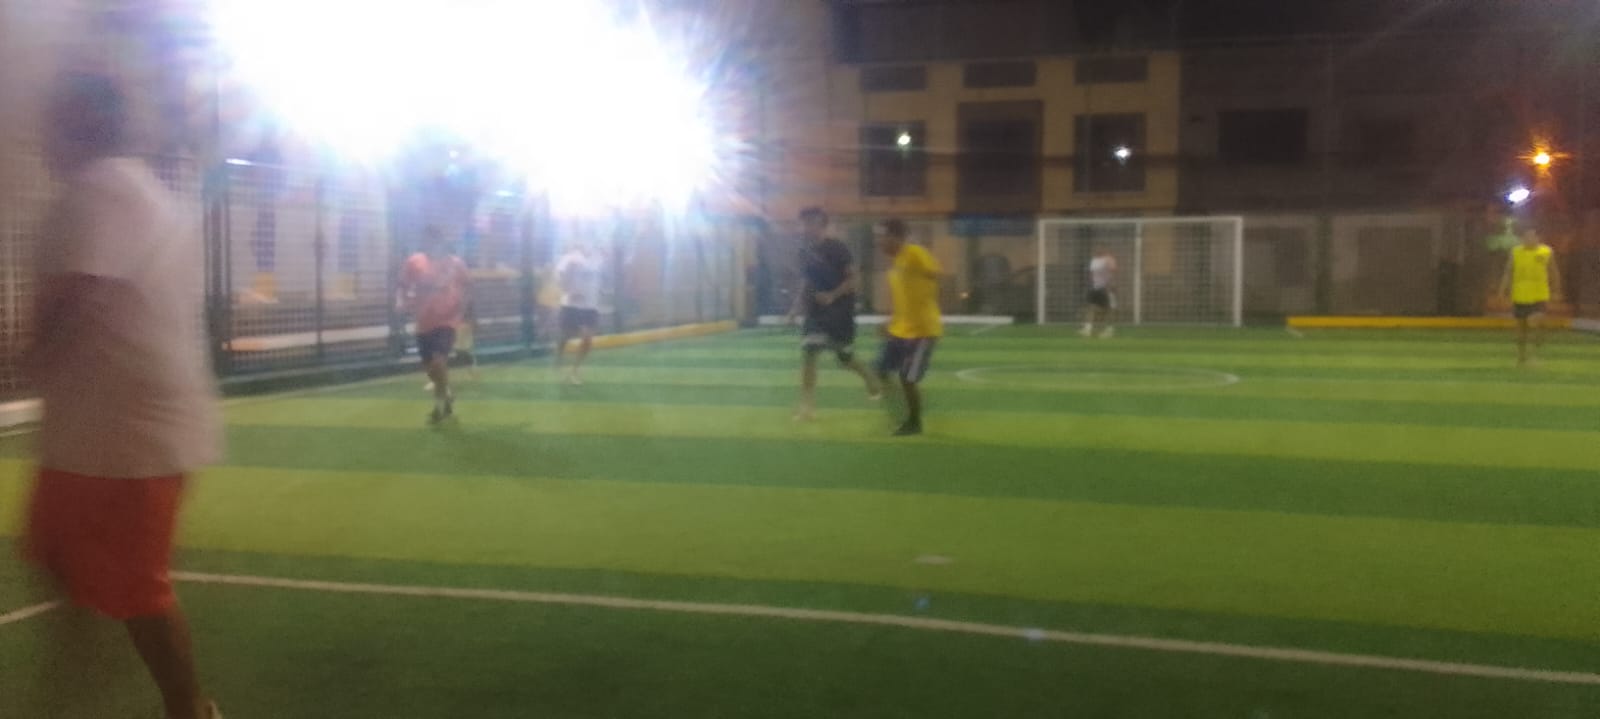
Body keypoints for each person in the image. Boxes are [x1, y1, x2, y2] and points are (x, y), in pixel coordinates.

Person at [23, 73, 223, 719]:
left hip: (125, 439)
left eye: (54, 123)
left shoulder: (97, 190)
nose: (43, 139)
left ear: (76, 127)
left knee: (136, 588)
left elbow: (66, 298)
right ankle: (76, 677)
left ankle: (189, 708)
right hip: (108, 431)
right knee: (57, 552)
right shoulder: (144, 193)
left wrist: (23, 360)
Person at [785, 207, 880, 420]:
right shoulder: (803, 252)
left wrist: (832, 295)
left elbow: (852, 279)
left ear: (822, 225)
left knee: (845, 358)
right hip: (816, 311)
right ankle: (807, 407)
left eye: (811, 223)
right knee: (809, 352)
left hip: (840, 311)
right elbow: (806, 282)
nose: (806, 228)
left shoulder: (838, 249)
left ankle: (869, 377)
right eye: (804, 223)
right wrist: (795, 307)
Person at [875, 219, 943, 436]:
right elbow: (903, 298)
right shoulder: (896, 263)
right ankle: (901, 409)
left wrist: (926, 294)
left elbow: (934, 272)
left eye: (883, 237)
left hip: (923, 330)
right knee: (881, 369)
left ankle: (914, 422)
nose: (879, 242)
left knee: (907, 377)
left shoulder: (913, 252)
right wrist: (890, 321)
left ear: (896, 237)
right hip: (900, 329)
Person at [399, 225, 471, 423]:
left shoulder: (455, 264)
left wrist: (462, 310)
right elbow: (403, 284)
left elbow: (467, 286)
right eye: (428, 239)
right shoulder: (415, 262)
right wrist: (403, 301)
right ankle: (447, 395)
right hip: (424, 321)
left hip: (447, 321)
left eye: (436, 240)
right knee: (431, 369)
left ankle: (438, 409)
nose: (432, 244)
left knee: (439, 361)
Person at [1500, 226, 1561, 367]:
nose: (1528, 239)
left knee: (1536, 322)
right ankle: (1521, 358)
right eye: (1526, 237)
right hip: (1520, 295)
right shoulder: (1516, 252)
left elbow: (1553, 272)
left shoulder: (1546, 252)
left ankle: (1535, 352)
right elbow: (1509, 271)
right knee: (1521, 329)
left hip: (1539, 295)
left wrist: (1557, 290)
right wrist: (1503, 289)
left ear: (1538, 238)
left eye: (1532, 237)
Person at [555, 242, 604, 384]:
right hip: (573, 305)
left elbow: (599, 278)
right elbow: (560, 275)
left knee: (587, 338)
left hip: (591, 305)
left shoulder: (598, 258)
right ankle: (558, 359)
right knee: (566, 335)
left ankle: (575, 371)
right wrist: (568, 291)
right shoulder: (571, 257)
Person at [1082, 248, 1117, 338]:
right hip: (1099, 288)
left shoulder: (1104, 260)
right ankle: (1089, 329)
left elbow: (1111, 272)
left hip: (1103, 288)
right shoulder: (1099, 261)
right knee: (1096, 308)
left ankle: (1106, 330)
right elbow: (1094, 275)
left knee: (1105, 309)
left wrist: (1111, 285)